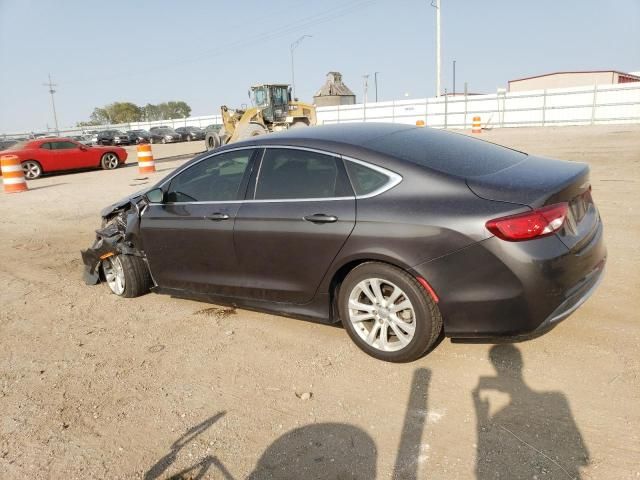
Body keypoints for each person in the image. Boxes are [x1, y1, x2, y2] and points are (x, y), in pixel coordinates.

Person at [474, 345, 589, 479]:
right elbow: (582, 455)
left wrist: (480, 414)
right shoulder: (557, 398)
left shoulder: (556, 398)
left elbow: (481, 469)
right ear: (521, 364)